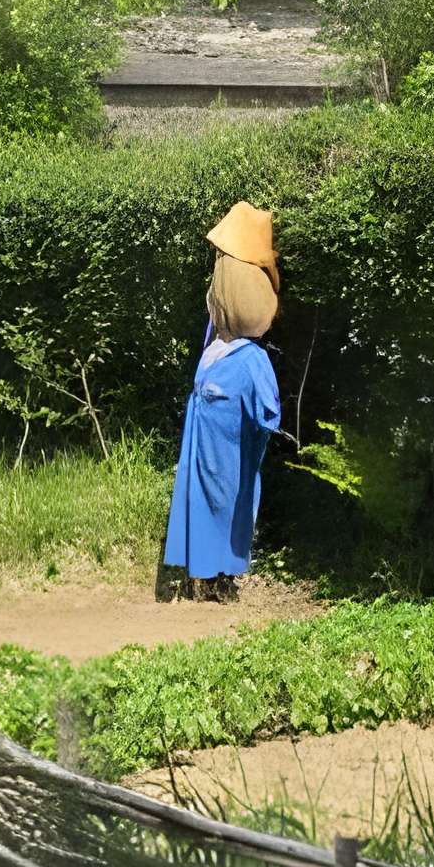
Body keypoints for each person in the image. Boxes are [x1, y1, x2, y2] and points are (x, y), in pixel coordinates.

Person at [159, 203, 281, 603]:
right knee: (204, 501)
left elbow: (268, 411)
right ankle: (206, 576)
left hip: (229, 450)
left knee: (229, 504)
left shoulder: (246, 357)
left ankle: (223, 576)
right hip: (205, 447)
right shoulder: (217, 350)